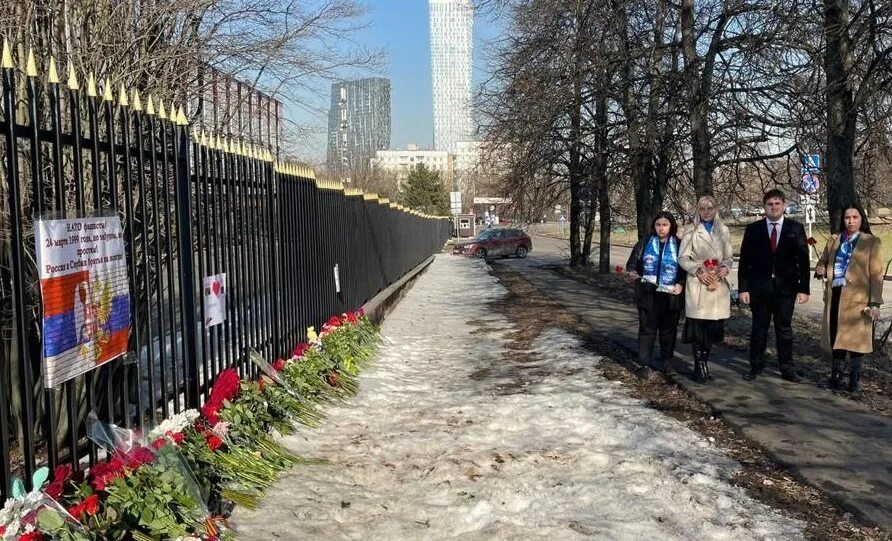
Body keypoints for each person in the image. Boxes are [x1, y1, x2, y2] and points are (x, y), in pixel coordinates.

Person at [738, 188, 810, 382]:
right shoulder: (754, 229)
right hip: (759, 288)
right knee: (758, 329)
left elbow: (803, 261)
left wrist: (804, 289)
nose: (774, 207)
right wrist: (743, 288)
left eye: (777, 204)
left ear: (784, 205)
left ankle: (787, 368)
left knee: (784, 329)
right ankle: (756, 366)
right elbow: (745, 261)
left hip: (786, 289)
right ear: (764, 207)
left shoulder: (795, 228)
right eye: (770, 204)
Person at [815, 203, 884, 392]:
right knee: (837, 338)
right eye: (847, 218)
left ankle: (854, 380)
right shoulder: (834, 240)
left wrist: (875, 302)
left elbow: (876, 275)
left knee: (855, 341)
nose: (851, 221)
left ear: (861, 219)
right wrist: (820, 268)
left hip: (858, 300)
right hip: (836, 296)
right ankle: (836, 377)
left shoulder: (871, 242)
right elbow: (823, 261)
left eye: (855, 217)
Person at [678, 196, 733, 383]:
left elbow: (728, 256)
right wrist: (697, 270)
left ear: (715, 208)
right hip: (699, 282)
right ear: (697, 210)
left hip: (717, 282)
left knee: (710, 328)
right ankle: (699, 365)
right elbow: (682, 258)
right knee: (698, 327)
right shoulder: (691, 230)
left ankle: (704, 362)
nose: (706, 211)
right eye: (702, 208)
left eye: (710, 208)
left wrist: (726, 267)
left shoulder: (723, 230)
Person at [625, 212, 686, 377]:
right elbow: (631, 263)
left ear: (671, 226)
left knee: (668, 331)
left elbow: (685, 270)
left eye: (665, 224)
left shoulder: (680, 245)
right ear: (654, 226)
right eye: (658, 224)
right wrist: (632, 272)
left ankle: (667, 362)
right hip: (647, 295)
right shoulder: (644, 243)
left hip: (670, 296)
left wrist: (681, 284)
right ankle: (644, 364)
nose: (661, 228)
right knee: (647, 330)